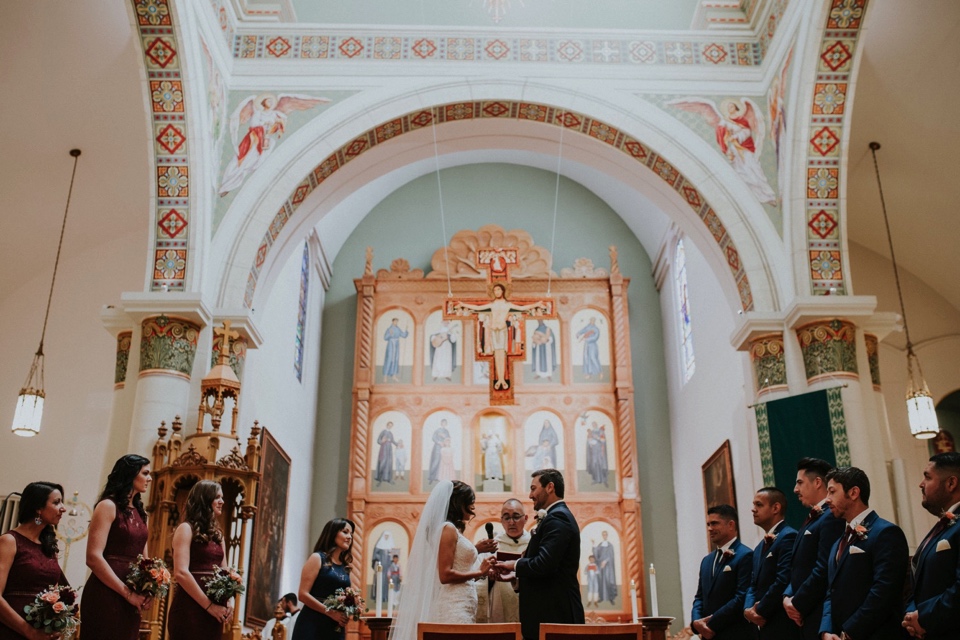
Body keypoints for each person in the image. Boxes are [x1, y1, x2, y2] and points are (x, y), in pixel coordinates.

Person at [802, 467, 908, 640]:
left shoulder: (885, 533)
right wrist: (826, 631)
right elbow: (831, 591)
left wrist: (850, 632)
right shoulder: (838, 542)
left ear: (853, 493)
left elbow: (883, 592)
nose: (827, 499)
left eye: (832, 491)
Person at [389, 481, 495, 640]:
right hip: (453, 605)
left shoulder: (451, 529)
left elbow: (455, 558)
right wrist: (479, 572)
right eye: (470, 501)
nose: (473, 506)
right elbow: (445, 575)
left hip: (463, 603)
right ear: (459, 503)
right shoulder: (448, 529)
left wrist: (476, 549)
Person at [494, 469, 585, 640]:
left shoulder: (558, 518)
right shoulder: (555, 517)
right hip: (548, 612)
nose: (530, 495)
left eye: (534, 488)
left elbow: (544, 564)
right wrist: (517, 578)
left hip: (555, 613)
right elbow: (549, 570)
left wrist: (513, 565)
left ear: (550, 487)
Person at [81, 455, 153, 639]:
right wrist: (127, 593)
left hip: (132, 595)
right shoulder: (107, 506)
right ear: (130, 474)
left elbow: (145, 561)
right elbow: (93, 557)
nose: (150, 478)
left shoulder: (141, 513)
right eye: (145, 473)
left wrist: (148, 589)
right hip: (106, 593)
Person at [782, 458, 845, 640]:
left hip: (818, 611)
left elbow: (824, 566)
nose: (795, 489)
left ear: (817, 482)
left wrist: (798, 602)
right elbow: (799, 566)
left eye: (800, 482)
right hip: (805, 613)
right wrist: (787, 596)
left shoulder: (831, 517)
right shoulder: (814, 517)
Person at [0, 481, 69, 640]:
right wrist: (29, 632)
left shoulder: (49, 545)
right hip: (11, 629)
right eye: (56, 502)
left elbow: (54, 591)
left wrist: (55, 623)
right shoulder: (9, 541)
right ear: (38, 508)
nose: (63, 508)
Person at [903, 452, 960, 640]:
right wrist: (912, 615)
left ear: (951, 483)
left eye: (927, 477)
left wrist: (925, 617)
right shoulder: (943, 525)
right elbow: (919, 582)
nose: (921, 484)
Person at [167, 481, 233, 639]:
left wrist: (229, 601)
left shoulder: (218, 535)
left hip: (214, 612)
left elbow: (225, 571)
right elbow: (181, 572)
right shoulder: (186, 529)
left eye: (222, 497)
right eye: (217, 497)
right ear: (204, 499)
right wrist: (209, 606)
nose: (222, 501)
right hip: (190, 609)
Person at [452, 283, 547, 391]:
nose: (496, 292)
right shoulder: (492, 304)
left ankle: (501, 379)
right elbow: (477, 307)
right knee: (496, 354)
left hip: (502, 330)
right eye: (495, 290)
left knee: (502, 354)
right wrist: (463, 304)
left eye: (498, 290)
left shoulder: (508, 304)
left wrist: (537, 304)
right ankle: (499, 379)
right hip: (493, 330)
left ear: (502, 291)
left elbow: (523, 308)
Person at [691, 504, 755, 640]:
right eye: (708, 524)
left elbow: (741, 597)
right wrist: (696, 622)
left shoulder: (745, 555)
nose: (710, 529)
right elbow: (699, 597)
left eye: (714, 523)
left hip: (735, 633)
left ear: (731, 525)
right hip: (709, 635)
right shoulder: (706, 561)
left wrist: (710, 624)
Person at [743, 488, 798, 639]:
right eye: (753, 505)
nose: (753, 509)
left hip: (780, 624)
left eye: (759, 505)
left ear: (776, 508)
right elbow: (752, 584)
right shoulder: (759, 547)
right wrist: (747, 609)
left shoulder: (789, 536)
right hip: (761, 627)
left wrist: (759, 610)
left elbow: (783, 579)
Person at [292, 519, 354, 640]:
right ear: (332, 533)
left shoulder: (345, 567)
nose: (349, 537)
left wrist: (350, 608)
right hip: (312, 623)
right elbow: (303, 594)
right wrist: (330, 613)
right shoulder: (317, 558)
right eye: (345, 532)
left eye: (351, 534)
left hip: (334, 626)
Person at [477, 499, 530, 623]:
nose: (511, 522)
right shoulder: (492, 546)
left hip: (527, 604)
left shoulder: (533, 544)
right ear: (501, 520)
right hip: (498, 603)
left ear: (526, 518)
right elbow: (478, 577)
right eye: (506, 518)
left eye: (516, 517)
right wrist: (489, 576)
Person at [592, 530, 617, 605]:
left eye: (605, 534)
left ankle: (611, 598)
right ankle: (602, 597)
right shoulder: (600, 545)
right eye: (603, 535)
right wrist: (593, 545)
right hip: (601, 567)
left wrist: (605, 561)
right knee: (601, 581)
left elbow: (611, 556)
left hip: (608, 566)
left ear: (607, 535)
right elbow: (596, 554)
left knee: (609, 581)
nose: (604, 536)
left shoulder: (610, 545)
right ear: (602, 536)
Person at [427, 420, 451, 485]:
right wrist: (439, 442)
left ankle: (439, 477)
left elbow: (449, 439)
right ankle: (431, 477)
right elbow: (433, 438)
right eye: (443, 423)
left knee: (442, 463)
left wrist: (445, 439)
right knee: (436, 461)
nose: (444, 424)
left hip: (444, 448)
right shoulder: (437, 430)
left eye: (445, 423)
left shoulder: (446, 431)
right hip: (437, 448)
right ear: (441, 423)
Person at [374, 422, 395, 486]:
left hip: (389, 450)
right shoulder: (383, 432)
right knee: (382, 463)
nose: (390, 426)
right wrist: (382, 441)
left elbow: (393, 441)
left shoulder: (391, 433)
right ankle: (380, 479)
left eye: (391, 426)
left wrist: (398, 444)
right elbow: (378, 440)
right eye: (389, 425)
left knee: (389, 463)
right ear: (387, 425)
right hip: (383, 449)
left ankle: (388, 479)